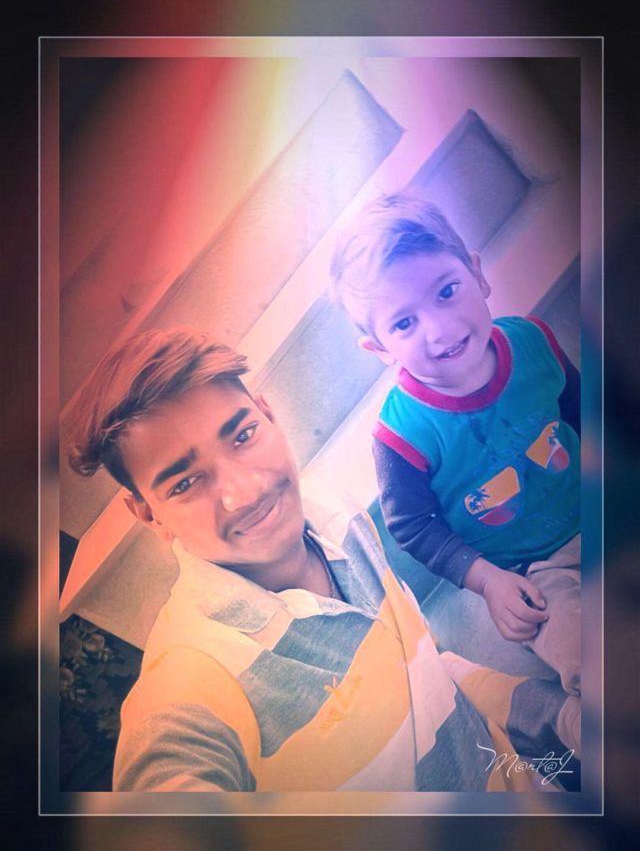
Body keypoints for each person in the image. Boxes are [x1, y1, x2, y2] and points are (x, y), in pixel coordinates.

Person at [66, 327, 579, 792]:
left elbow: (425, 674)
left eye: (243, 436)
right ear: (148, 515)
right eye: (185, 483)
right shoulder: (191, 685)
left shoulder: (336, 517)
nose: (244, 493)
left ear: (268, 414)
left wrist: (559, 719)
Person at [330, 189, 581, 699]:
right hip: (535, 572)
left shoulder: (532, 340)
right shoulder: (402, 437)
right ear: (379, 349)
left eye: (446, 291)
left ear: (477, 273)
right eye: (404, 323)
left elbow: (577, 404)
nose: (440, 329)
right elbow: (412, 525)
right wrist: (487, 580)